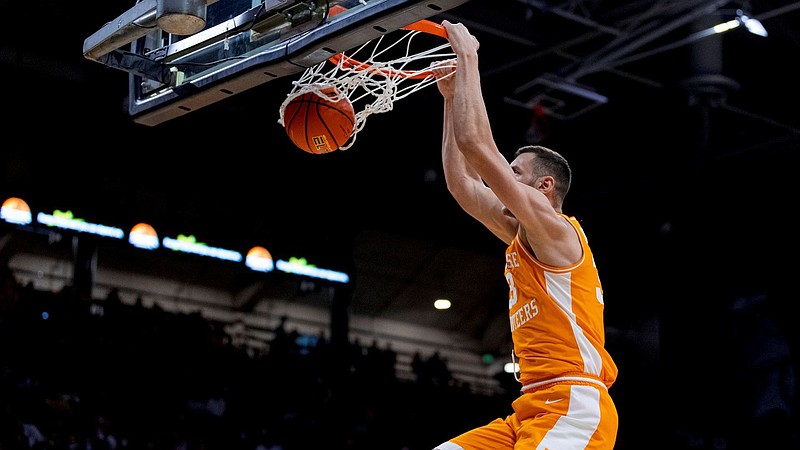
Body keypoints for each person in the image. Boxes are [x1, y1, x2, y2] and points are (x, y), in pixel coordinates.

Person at [430, 20, 619, 450]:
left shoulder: (555, 229)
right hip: (532, 405)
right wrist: (449, 98)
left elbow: (477, 146)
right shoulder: (520, 232)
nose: (501, 182)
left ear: (544, 187)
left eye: (514, 174)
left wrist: (469, 60)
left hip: (575, 404)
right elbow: (461, 184)